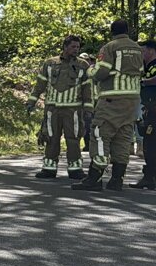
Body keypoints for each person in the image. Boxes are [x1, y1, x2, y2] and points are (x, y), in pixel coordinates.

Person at [73, 19, 144, 191]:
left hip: (112, 99)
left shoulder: (109, 47)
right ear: (127, 30)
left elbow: (101, 71)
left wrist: (91, 71)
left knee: (99, 134)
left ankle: (94, 178)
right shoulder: (137, 49)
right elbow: (140, 71)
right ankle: (116, 179)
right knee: (123, 137)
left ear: (112, 32)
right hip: (132, 100)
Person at [26, 35, 91, 180]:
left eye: (78, 47)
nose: (76, 50)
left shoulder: (83, 65)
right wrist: (31, 102)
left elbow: (88, 88)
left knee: (73, 138)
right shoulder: (50, 63)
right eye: (73, 47)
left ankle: (75, 169)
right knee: (51, 138)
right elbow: (40, 84)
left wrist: (88, 109)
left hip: (73, 110)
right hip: (52, 109)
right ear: (65, 47)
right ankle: (49, 169)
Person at [130, 41, 156, 189]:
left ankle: (150, 177)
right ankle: (150, 176)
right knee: (149, 144)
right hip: (149, 109)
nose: (141, 55)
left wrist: (143, 82)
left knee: (151, 144)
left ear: (151, 50)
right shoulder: (146, 67)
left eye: (143, 51)